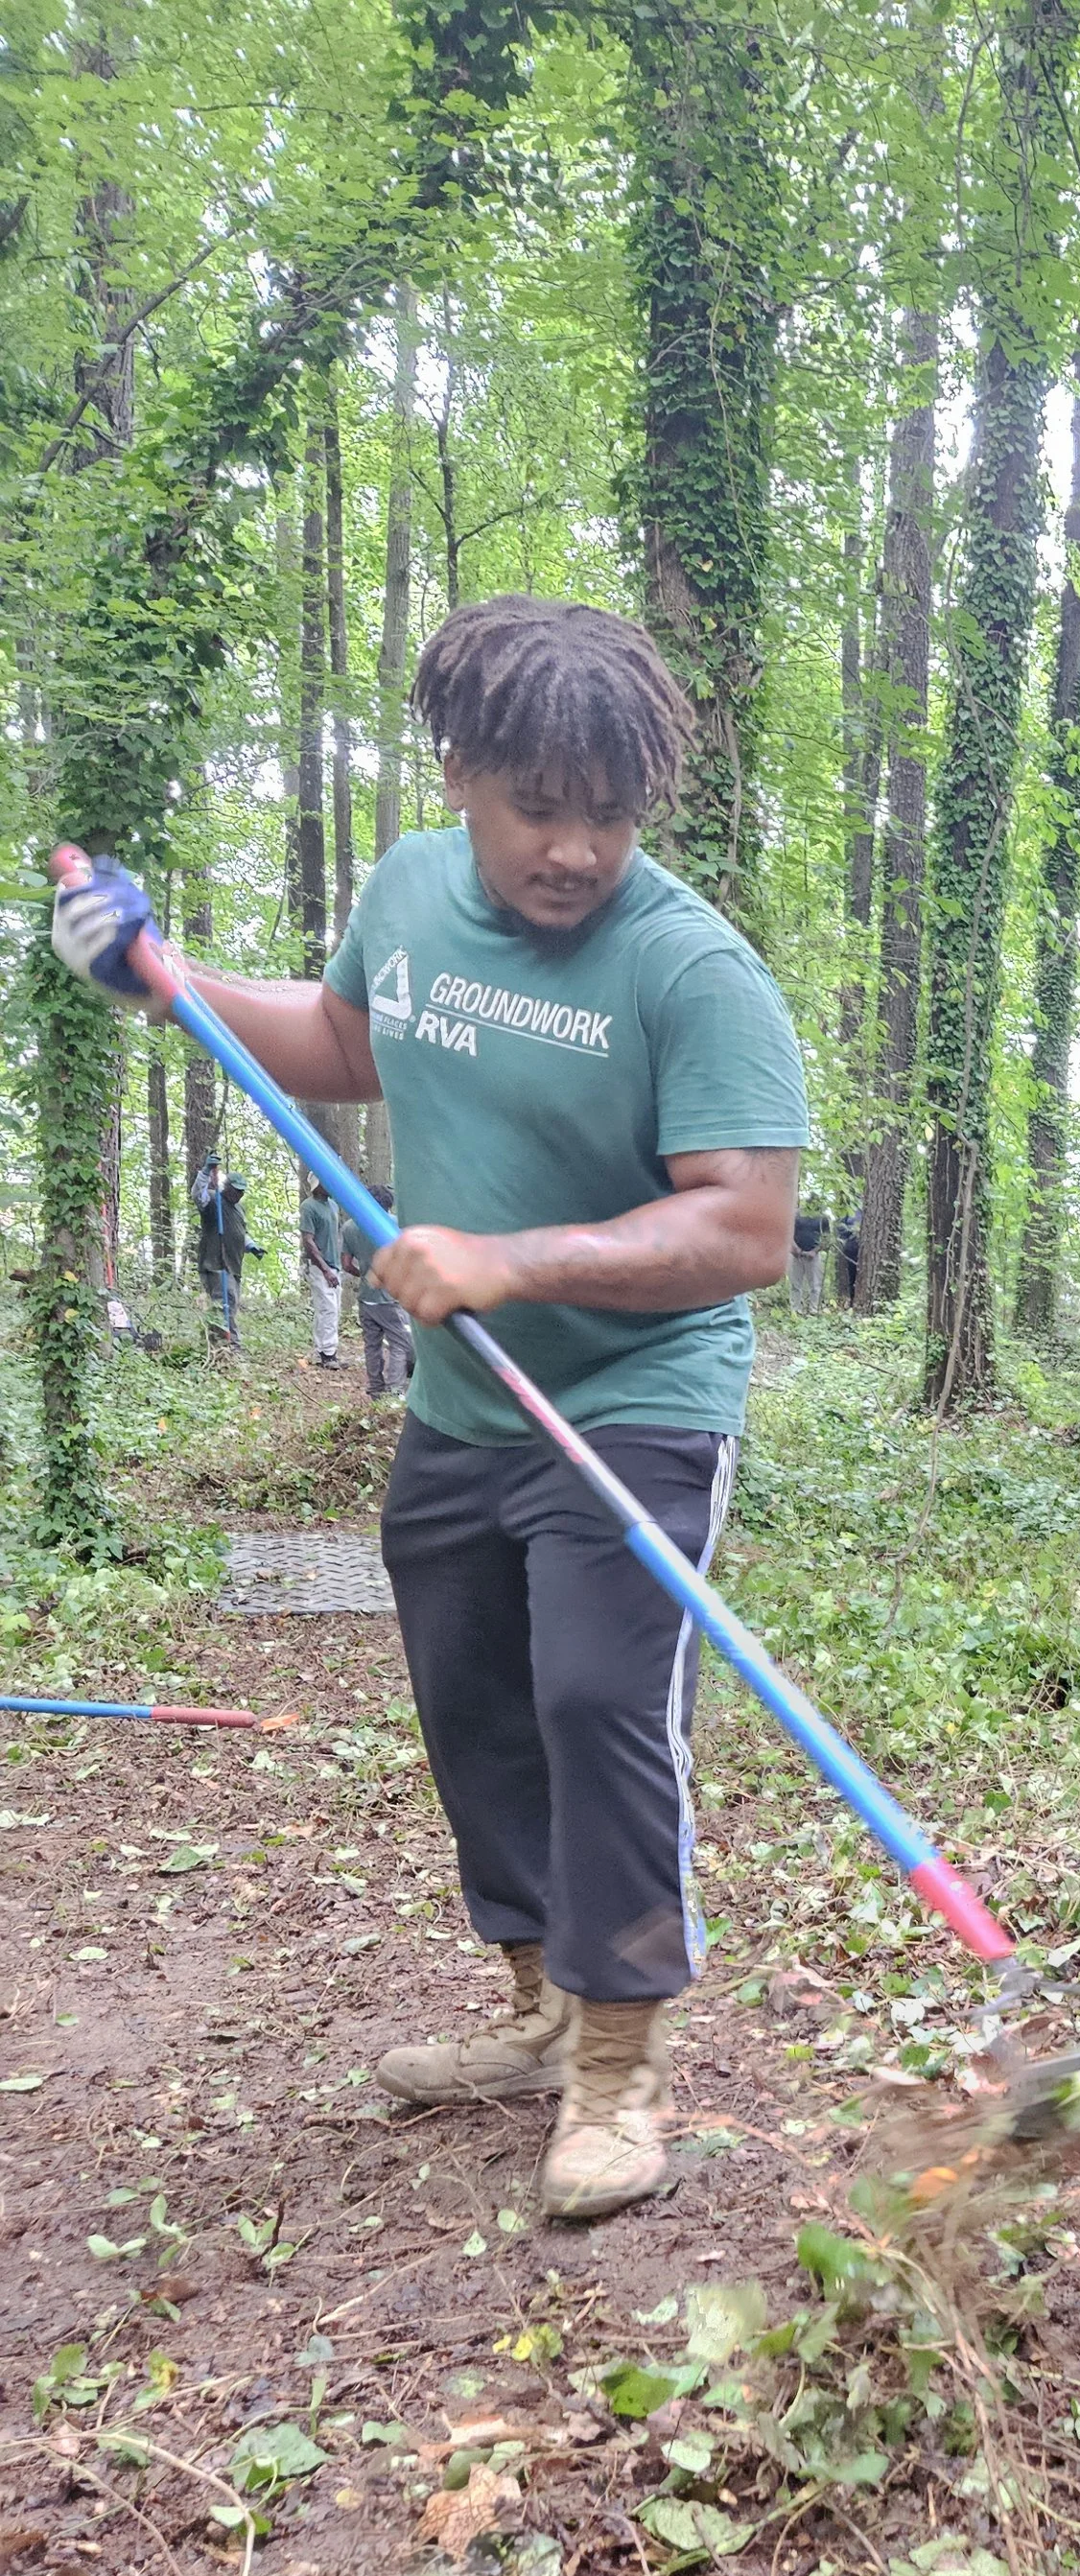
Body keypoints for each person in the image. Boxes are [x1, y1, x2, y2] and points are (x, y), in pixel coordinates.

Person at [53, 594, 811, 2224]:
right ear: (461, 769)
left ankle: (621, 2067)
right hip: (467, 1409)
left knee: (604, 1700)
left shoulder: (689, 967)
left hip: (635, 1402)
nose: (577, 848)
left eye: (610, 814)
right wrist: (161, 975)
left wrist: (509, 1255)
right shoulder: (405, 890)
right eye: (541, 805)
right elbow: (340, 1037)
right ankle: (542, 2007)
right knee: (476, 1702)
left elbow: (746, 1226)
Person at [343, 1182, 415, 1403]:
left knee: (371, 1345)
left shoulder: (350, 1227)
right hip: (391, 1298)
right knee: (400, 1343)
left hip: (366, 1298)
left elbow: (346, 1264)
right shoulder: (394, 1225)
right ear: (387, 1205)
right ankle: (395, 1391)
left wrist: (363, 1274)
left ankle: (375, 1390)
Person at [192, 1159, 258, 1347]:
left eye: (242, 1191)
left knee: (232, 1303)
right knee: (224, 1303)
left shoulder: (239, 1208)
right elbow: (197, 1195)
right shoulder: (213, 1200)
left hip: (233, 1264)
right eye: (236, 1190)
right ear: (227, 1187)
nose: (239, 1194)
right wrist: (205, 1172)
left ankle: (219, 1343)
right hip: (216, 1263)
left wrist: (251, 1245)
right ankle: (229, 1345)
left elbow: (238, 1232)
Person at [301, 1175, 344, 1364]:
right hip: (320, 1266)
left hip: (334, 1264)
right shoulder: (308, 1206)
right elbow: (308, 1240)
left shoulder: (333, 1205)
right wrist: (325, 1269)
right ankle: (328, 1353)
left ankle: (323, 1350)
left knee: (332, 1308)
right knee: (328, 1309)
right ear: (317, 1185)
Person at [787, 1194, 830, 1313]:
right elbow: (789, 1232)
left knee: (815, 1285)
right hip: (796, 1254)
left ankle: (813, 1310)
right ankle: (796, 1310)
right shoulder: (797, 1215)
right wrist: (794, 1248)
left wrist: (815, 1251)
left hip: (813, 1256)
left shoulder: (822, 1218)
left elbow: (826, 1238)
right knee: (796, 1284)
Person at [833, 1209, 860, 1309]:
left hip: (869, 1247)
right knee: (852, 1276)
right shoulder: (851, 1207)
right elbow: (840, 1227)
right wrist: (851, 1232)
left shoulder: (872, 1208)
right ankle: (853, 1301)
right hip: (852, 1247)